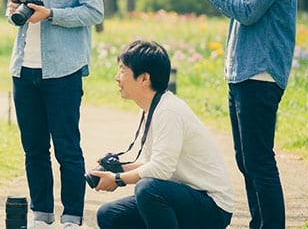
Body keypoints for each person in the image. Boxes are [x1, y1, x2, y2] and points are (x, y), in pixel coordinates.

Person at [184, 0, 296, 229]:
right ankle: (259, 223)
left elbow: (246, 11)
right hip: (242, 72)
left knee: (259, 160)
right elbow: (238, 2)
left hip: (259, 74)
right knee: (246, 160)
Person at [6, 0, 104, 228]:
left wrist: (50, 14)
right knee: (33, 148)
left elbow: (94, 11)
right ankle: (41, 214)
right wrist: (15, 10)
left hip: (63, 70)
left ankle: (72, 217)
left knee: (66, 147)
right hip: (23, 68)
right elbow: (12, 12)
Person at [92, 40, 234, 228]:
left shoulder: (169, 111)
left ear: (144, 78)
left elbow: (161, 170)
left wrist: (117, 180)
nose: (117, 78)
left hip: (212, 206)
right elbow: (155, 163)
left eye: (122, 70)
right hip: (182, 196)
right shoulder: (150, 109)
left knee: (148, 189)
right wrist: (116, 168)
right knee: (109, 215)